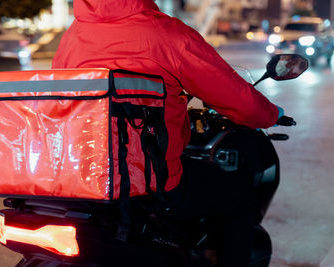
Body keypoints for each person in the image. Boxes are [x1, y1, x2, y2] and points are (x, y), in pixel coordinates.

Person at [52, 0, 283, 265]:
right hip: (147, 181)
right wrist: (271, 114)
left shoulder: (75, 34)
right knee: (239, 194)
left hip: (82, 176)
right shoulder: (165, 33)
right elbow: (235, 97)